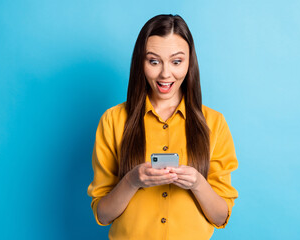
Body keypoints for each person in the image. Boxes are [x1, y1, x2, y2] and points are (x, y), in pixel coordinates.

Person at [87, 14, 238, 240]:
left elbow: (220, 217)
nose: (165, 74)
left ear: (190, 62)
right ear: (141, 62)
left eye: (176, 61)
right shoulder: (113, 120)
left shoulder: (214, 124)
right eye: (154, 61)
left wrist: (197, 183)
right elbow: (103, 214)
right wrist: (132, 180)